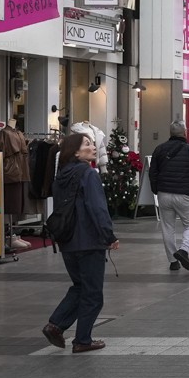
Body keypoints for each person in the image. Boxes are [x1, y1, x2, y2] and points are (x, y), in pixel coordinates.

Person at [42, 133, 119, 353]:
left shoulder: (61, 175)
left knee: (80, 286)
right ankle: (82, 340)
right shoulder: (88, 174)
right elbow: (97, 208)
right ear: (75, 151)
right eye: (87, 144)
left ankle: (55, 325)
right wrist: (108, 236)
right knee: (93, 293)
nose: (93, 147)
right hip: (89, 241)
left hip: (67, 240)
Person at [149, 120, 189, 269]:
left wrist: (156, 189)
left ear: (170, 133)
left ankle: (173, 262)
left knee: (167, 227)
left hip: (164, 194)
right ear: (185, 132)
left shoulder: (159, 149)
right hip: (185, 195)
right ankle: (184, 251)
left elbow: (153, 172)